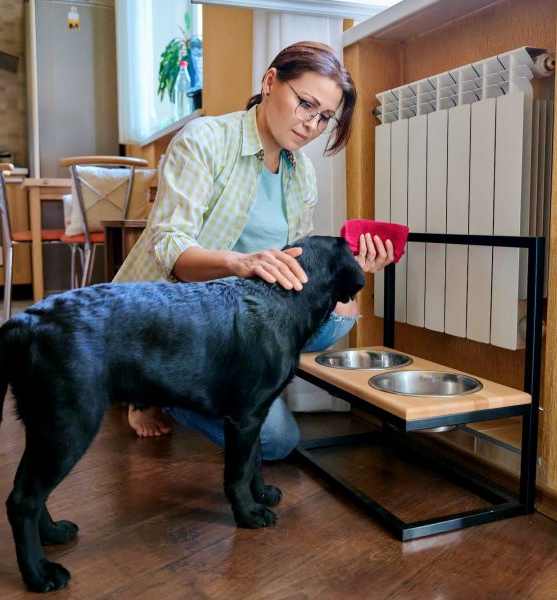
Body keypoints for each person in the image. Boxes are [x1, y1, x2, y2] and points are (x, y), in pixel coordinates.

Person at [113, 41, 394, 460]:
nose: (311, 125)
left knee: (342, 316)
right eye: (305, 104)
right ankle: (151, 385)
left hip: (240, 321)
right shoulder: (205, 139)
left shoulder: (302, 175)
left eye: (323, 117)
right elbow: (170, 246)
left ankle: (233, 379)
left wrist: (352, 271)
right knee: (275, 443)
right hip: (175, 319)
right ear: (269, 82)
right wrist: (241, 263)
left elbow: (295, 270)